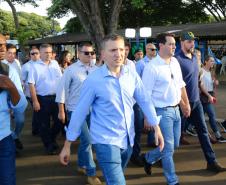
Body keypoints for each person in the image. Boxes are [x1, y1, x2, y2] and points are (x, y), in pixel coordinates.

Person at [59, 34, 164, 185]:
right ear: (102, 54)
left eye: (121, 49)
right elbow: (80, 112)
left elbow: (145, 100)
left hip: (128, 140)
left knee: (114, 179)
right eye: (113, 50)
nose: (119, 54)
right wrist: (68, 144)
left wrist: (156, 127)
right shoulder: (94, 80)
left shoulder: (131, 75)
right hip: (105, 142)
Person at [142, 33, 190, 185]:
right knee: (168, 149)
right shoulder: (151, 67)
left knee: (174, 145)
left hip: (176, 110)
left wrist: (185, 103)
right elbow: (145, 96)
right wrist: (147, 117)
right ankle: (172, 180)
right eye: (170, 44)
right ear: (160, 46)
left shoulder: (175, 61)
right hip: (162, 112)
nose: (174, 46)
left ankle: (148, 158)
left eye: (174, 44)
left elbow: (180, 84)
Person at [175, 31, 226, 173]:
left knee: (203, 132)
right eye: (189, 41)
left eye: (193, 41)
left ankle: (211, 162)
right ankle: (155, 157)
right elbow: (174, 84)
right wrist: (182, 103)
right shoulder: (176, 59)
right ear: (182, 42)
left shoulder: (194, 58)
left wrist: (206, 95)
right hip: (181, 104)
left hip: (196, 102)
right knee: (173, 137)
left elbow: (197, 80)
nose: (192, 43)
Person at [56, 42, 101, 185]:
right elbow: (61, 91)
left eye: (92, 53)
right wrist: (61, 110)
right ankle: (91, 173)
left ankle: (82, 164)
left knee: (86, 141)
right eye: (86, 53)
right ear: (79, 53)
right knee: (87, 140)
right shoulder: (71, 70)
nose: (90, 55)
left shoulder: (97, 70)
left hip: (92, 111)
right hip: (75, 111)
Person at [0, 33, 27, 185]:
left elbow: (21, 106)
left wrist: (11, 87)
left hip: (3, 137)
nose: (2, 48)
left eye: (3, 44)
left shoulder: (9, 71)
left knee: (8, 181)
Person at [28, 44, 63, 155]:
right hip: (42, 99)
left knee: (60, 121)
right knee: (44, 124)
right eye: (45, 52)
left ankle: (51, 139)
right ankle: (49, 145)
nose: (48, 54)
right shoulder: (34, 66)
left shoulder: (55, 64)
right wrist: (35, 101)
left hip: (57, 98)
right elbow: (31, 85)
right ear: (40, 53)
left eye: (49, 52)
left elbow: (61, 80)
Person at [131, 42, 157, 166]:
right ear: (147, 50)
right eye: (152, 49)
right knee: (138, 128)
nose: (154, 51)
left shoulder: (157, 62)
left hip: (154, 99)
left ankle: (155, 146)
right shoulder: (140, 64)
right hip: (140, 101)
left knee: (155, 124)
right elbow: (136, 83)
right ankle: (135, 154)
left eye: (155, 49)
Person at [2, 43, 25, 151]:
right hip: (9, 100)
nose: (12, 56)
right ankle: (13, 139)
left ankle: (15, 136)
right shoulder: (3, 67)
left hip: (19, 95)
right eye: (9, 53)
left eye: (14, 53)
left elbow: (19, 81)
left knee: (20, 121)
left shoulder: (16, 63)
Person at [200, 55, 226, 142]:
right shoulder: (201, 71)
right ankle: (218, 135)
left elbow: (213, 85)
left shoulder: (211, 72)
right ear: (206, 61)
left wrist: (215, 83)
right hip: (203, 95)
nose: (213, 63)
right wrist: (208, 96)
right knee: (211, 115)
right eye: (211, 61)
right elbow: (201, 86)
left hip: (209, 94)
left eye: (213, 61)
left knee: (198, 117)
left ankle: (187, 128)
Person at [21, 47, 41, 136]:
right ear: (29, 56)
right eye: (32, 54)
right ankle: (35, 129)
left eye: (36, 53)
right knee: (37, 111)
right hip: (30, 94)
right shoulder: (26, 66)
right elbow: (22, 80)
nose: (35, 55)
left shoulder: (43, 64)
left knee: (40, 111)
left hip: (41, 92)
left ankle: (38, 128)